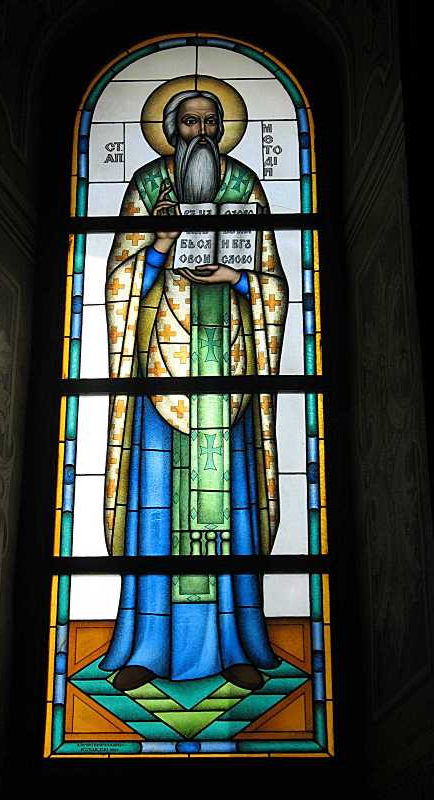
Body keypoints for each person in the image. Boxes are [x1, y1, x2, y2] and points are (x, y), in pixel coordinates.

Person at [100, 89, 288, 691]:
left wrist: (238, 277)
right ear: (172, 128)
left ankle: (235, 642)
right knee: (157, 507)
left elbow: (272, 279)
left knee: (230, 509)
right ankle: (148, 646)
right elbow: (119, 280)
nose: (200, 132)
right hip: (162, 368)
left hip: (228, 366)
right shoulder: (148, 185)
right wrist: (158, 246)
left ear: (223, 128)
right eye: (189, 122)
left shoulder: (245, 186)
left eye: (210, 122)